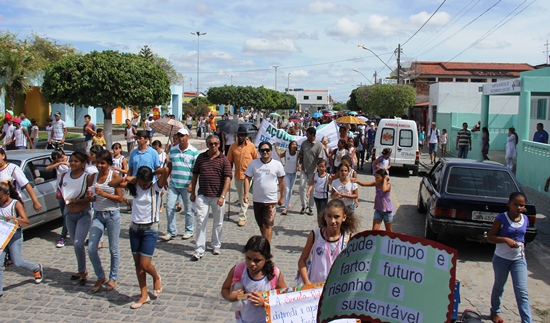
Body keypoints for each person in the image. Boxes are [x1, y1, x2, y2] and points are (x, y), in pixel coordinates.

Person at [109, 166, 168, 309]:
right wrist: (130, 179)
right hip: (135, 228)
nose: (143, 185)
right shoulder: (135, 187)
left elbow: (166, 170)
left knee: (145, 264)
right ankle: (144, 294)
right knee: (137, 264)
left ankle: (156, 277)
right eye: (141, 183)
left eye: (145, 183)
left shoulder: (156, 187)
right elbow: (112, 184)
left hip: (150, 229)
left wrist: (150, 174)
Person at [487, 192, 532, 323]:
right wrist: (506, 240)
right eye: (516, 204)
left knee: (522, 291)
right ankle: (495, 311)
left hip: (519, 259)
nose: (519, 208)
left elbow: (524, 238)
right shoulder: (501, 218)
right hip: (501, 258)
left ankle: (527, 320)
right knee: (499, 286)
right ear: (509, 204)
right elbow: (490, 237)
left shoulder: (525, 219)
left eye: (522, 205)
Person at [221, 236, 287, 322]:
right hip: (243, 320)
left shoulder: (274, 274)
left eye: (257, 260)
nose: (252, 263)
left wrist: (265, 303)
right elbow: (224, 288)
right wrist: (230, 297)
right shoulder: (238, 270)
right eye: (248, 258)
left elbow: (285, 297)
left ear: (266, 259)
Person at [296, 199, 359, 285]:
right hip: (315, 289)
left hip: (335, 291)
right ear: (325, 216)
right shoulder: (315, 235)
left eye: (336, 217)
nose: (332, 221)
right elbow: (302, 261)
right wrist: (307, 283)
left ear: (344, 218)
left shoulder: (348, 239)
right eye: (329, 216)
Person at [189, 135, 231, 260]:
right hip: (203, 195)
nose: (213, 146)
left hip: (218, 196)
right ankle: (199, 249)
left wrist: (223, 196)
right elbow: (195, 174)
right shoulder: (201, 158)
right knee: (201, 221)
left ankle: (216, 245)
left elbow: (227, 178)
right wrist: (192, 191)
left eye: (215, 144)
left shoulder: (224, 160)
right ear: (207, 145)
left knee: (218, 222)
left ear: (219, 145)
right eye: (211, 143)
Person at [0, 181, 44, 298]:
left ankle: (36, 268)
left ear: (7, 193)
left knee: (17, 262)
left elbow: (26, 222)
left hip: (14, 235)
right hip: (2, 236)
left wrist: (15, 219)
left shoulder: (16, 204)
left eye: (0, 197)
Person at [88, 150, 123, 293]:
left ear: (109, 163)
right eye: (97, 162)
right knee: (91, 248)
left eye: (103, 163)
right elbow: (92, 197)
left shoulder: (114, 176)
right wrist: (91, 195)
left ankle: (113, 277)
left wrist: (105, 194)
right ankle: (100, 275)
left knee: (113, 249)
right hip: (97, 215)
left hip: (112, 214)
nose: (100, 165)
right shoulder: (93, 177)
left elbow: (120, 199)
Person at [58, 151, 94, 286]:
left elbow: (92, 198)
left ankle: (83, 272)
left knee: (79, 243)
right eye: (71, 160)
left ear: (83, 163)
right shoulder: (65, 176)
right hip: (69, 215)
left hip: (83, 214)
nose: (73, 163)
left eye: (76, 161)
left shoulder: (87, 177)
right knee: (75, 244)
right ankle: (81, 270)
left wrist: (77, 201)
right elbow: (61, 192)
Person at [162, 127, 199, 241]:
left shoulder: (194, 151)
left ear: (187, 137)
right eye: (179, 136)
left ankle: (189, 230)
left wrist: (192, 184)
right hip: (174, 184)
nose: (181, 138)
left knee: (188, 209)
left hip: (186, 184)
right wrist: (164, 179)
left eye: (183, 136)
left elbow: (196, 170)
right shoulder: (173, 150)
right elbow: (170, 166)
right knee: (169, 207)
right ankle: (171, 231)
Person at [244, 141, 285, 243]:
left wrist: (282, 197)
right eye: (262, 150)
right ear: (259, 152)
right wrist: (245, 194)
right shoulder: (254, 164)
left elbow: (282, 181)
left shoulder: (277, 164)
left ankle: (266, 249)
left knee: (268, 225)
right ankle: (265, 243)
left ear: (271, 151)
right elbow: (247, 178)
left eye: (267, 150)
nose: (265, 152)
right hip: (257, 199)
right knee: (262, 225)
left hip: (271, 200)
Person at [227, 125, 258, 227]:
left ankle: (242, 217)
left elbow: (256, 159)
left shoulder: (251, 146)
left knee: (245, 195)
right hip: (237, 175)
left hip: (249, 176)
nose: (240, 137)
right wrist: (228, 173)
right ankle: (244, 203)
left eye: (242, 135)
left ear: (246, 136)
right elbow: (229, 161)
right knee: (241, 196)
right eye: (239, 135)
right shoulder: (232, 147)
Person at [0, 147, 42, 212]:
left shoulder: (13, 168)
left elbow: (26, 185)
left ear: (3, 155)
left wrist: (35, 201)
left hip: (12, 205)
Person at [46, 149, 70, 248]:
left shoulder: (69, 160)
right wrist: (57, 163)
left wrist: (64, 162)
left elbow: (72, 167)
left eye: (59, 159)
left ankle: (63, 236)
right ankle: (70, 229)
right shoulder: (57, 163)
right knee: (64, 215)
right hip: (60, 191)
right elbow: (48, 168)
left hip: (69, 191)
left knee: (66, 213)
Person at [299, 127, 324, 215]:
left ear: (312, 135)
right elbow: (301, 155)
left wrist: (318, 171)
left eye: (308, 134)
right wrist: (300, 163)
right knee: (301, 187)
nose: (306, 135)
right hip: (304, 169)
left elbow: (320, 158)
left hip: (313, 171)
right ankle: (303, 205)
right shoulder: (304, 143)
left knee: (312, 190)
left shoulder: (319, 145)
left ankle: (311, 207)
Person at [276, 140, 299, 215]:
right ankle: (286, 208)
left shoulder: (297, 154)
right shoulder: (286, 153)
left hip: (294, 174)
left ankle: (287, 202)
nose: (294, 145)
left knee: (290, 190)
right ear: (290, 146)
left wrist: (300, 165)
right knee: (287, 189)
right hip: (286, 174)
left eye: (295, 144)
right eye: (292, 144)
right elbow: (278, 156)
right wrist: (275, 148)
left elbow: (302, 159)